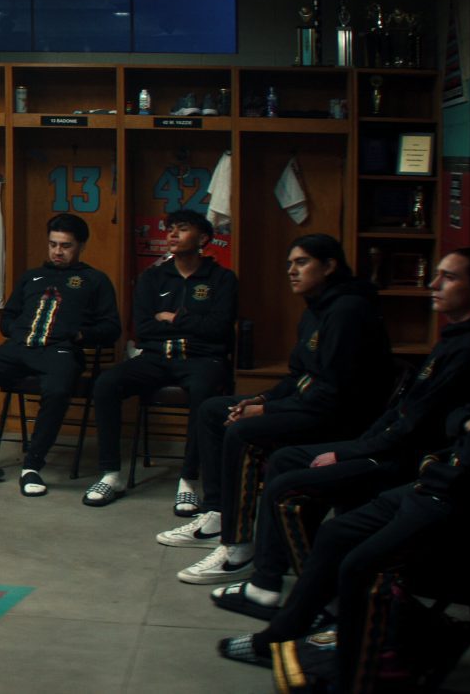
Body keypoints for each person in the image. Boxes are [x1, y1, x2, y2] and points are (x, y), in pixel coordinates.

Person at [225, 280, 470, 693]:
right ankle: (275, 639)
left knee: (358, 566)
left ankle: (354, 675)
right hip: (442, 484)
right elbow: (462, 418)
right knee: (335, 532)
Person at [208, 248, 470, 617]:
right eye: (436, 274)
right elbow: (402, 410)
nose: (433, 284)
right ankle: (272, 582)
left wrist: (350, 452)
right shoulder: (457, 335)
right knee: (285, 459)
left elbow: (419, 425)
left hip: (418, 465)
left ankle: (310, 593)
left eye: (449, 278)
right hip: (390, 445)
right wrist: (356, 447)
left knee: (285, 484)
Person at [157, 233, 393, 584]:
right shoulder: (316, 308)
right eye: (289, 264)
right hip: (312, 404)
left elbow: (333, 391)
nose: (292, 272)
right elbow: (299, 377)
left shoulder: (348, 310)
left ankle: (238, 549)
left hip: (342, 419)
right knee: (213, 410)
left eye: (302, 263)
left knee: (243, 433)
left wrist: (266, 413)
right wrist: (261, 400)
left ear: (329, 266)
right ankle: (219, 514)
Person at [0, 213, 119, 495]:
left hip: (60, 351)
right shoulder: (32, 276)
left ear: (81, 246)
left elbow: (112, 327)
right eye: (53, 244)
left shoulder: (94, 280)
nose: (57, 252)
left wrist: (80, 335)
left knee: (57, 390)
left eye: (65, 246)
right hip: (19, 348)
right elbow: (7, 317)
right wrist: (16, 331)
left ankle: (32, 465)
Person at [83, 210, 237, 507]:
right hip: (155, 357)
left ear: (203, 238)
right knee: (106, 383)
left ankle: (189, 479)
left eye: (182, 229)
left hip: (202, 360)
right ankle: (110, 474)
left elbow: (218, 329)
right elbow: (143, 327)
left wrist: (172, 318)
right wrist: (191, 322)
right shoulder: (153, 278)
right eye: (170, 229)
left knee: (204, 393)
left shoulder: (222, 279)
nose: (172, 234)